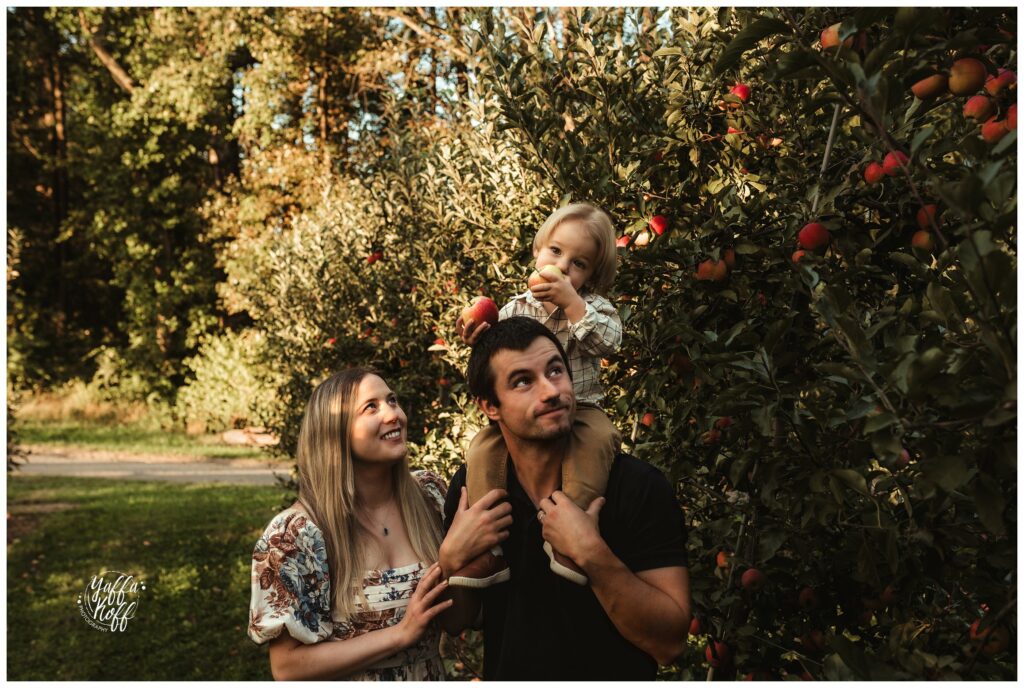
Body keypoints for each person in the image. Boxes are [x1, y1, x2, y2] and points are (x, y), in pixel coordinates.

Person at [438, 317, 692, 680]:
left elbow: (670, 644)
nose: (550, 391)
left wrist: (591, 554)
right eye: (523, 381)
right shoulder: (472, 494)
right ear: (490, 407)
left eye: (555, 371)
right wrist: (451, 560)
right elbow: (457, 620)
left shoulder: (637, 486)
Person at [454, 202, 623, 587]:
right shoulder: (516, 308)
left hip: (580, 408)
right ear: (537, 251)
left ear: (591, 277)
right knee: (481, 451)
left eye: (578, 264)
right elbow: (498, 362)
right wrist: (476, 339)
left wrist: (573, 304)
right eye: (556, 252)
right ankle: (486, 550)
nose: (563, 267)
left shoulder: (593, 308)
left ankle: (573, 533)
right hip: (525, 415)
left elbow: (608, 343)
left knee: (598, 442)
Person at [247, 368, 454, 680]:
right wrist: (400, 633)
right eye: (371, 407)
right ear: (335, 431)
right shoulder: (295, 536)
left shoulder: (429, 496)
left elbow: (463, 615)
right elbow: (287, 667)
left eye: (392, 401)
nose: (393, 414)